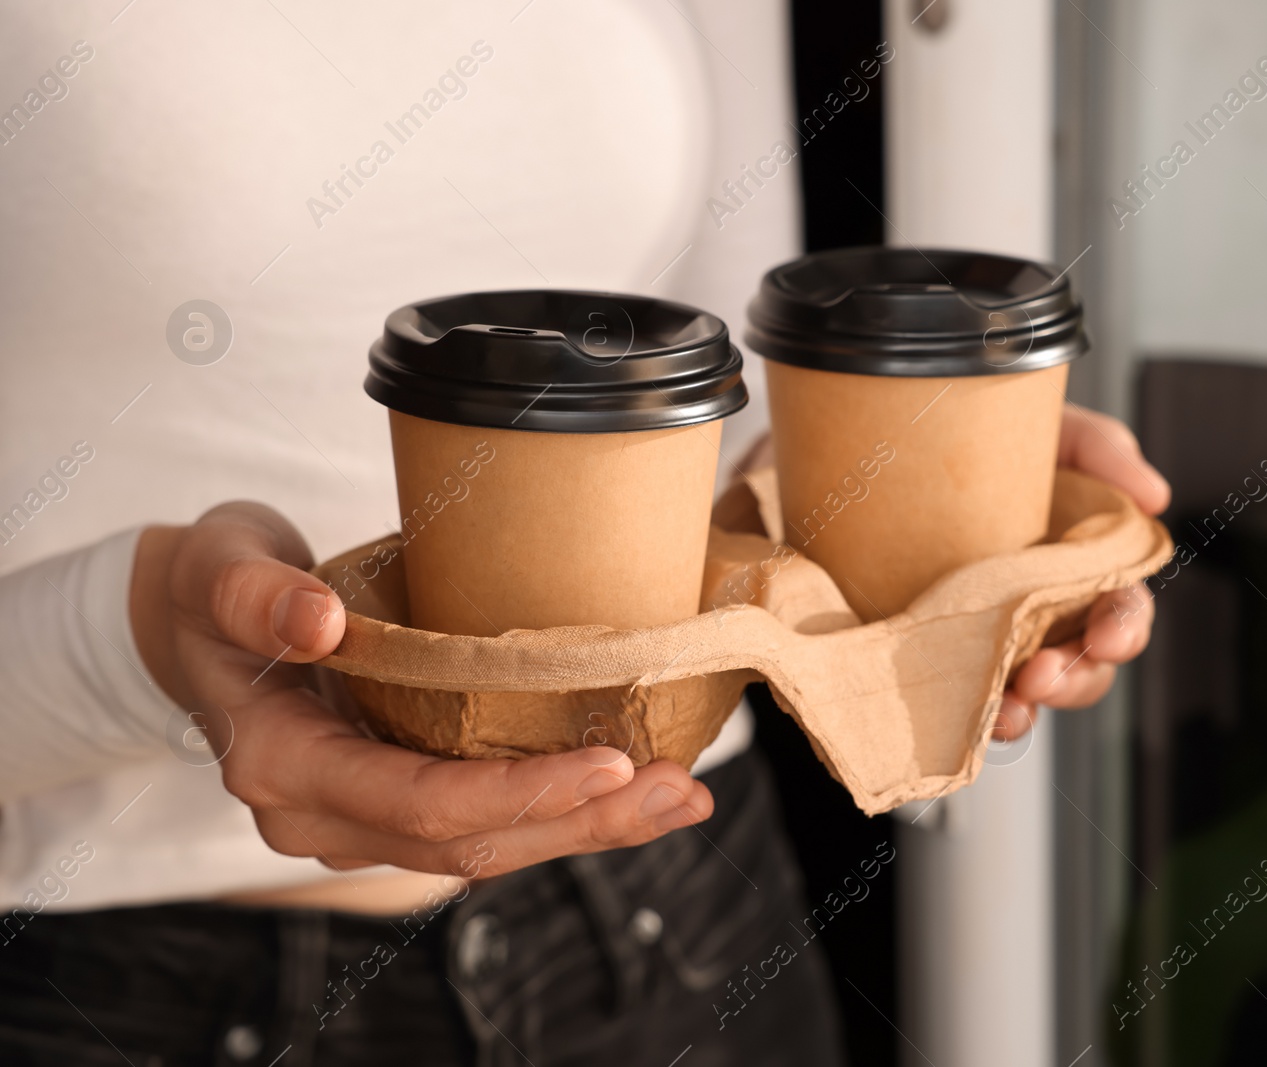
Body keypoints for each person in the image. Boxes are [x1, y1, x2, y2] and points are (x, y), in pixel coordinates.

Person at [0, 2, 1165, 1063]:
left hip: (678, 918)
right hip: (109, 992)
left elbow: (709, 366)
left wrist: (923, 485)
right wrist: (129, 642)